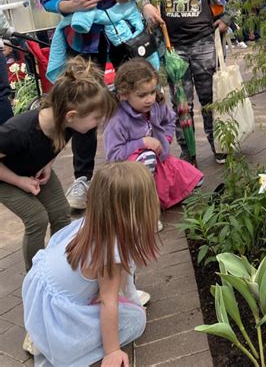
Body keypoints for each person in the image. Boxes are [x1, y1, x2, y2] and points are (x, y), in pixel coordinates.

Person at [40, 0, 149, 209]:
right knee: (82, 106)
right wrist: (69, 5)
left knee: (134, 93)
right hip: (83, 39)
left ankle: (140, 161)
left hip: (122, 33)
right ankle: (83, 180)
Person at [22, 161, 159, 367]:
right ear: (136, 209)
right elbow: (107, 301)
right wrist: (112, 351)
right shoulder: (110, 250)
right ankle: (53, 340)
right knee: (136, 320)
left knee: (116, 298)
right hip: (58, 316)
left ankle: (41, 331)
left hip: (40, 296)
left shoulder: (91, 223)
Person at [0, 57, 116, 272]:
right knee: (37, 219)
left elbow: (55, 144)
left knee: (60, 212)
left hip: (35, 169)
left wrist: (48, 164)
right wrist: (19, 181)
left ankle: (59, 266)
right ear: (72, 115)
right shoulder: (18, 132)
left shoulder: (68, 123)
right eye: (96, 118)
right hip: (6, 177)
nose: (98, 124)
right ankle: (36, 275)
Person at [141, 0, 239, 164]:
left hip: (205, 42)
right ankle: (189, 153)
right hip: (174, 49)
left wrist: (227, 17)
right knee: (181, 104)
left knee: (211, 100)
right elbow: (145, 0)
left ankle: (219, 145)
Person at [104, 58, 203, 214]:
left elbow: (170, 120)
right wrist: (142, 142)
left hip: (160, 161)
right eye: (142, 95)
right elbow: (114, 156)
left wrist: (165, 140)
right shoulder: (117, 120)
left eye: (152, 91)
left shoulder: (156, 104)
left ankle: (159, 199)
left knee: (196, 179)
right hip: (129, 172)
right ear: (124, 94)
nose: (149, 98)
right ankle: (144, 210)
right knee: (148, 157)